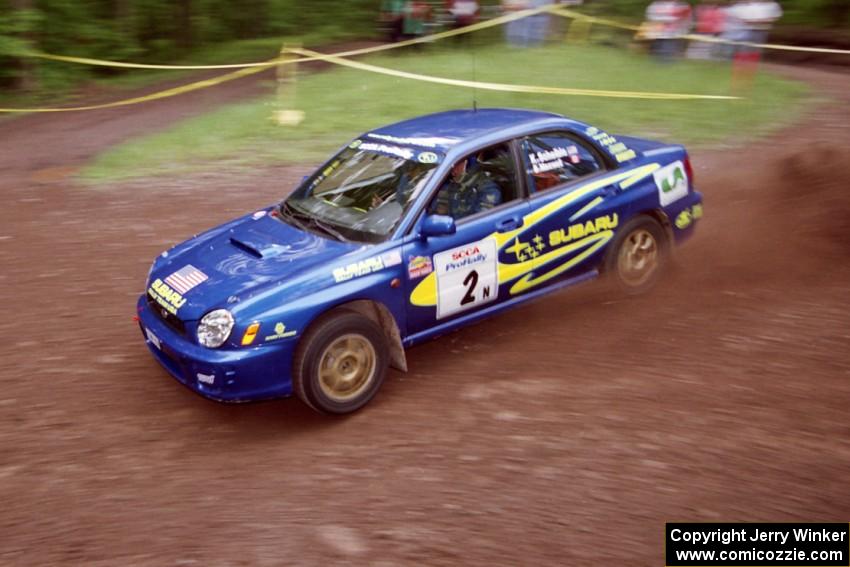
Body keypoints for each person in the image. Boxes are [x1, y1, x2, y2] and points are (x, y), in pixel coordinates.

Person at [431, 155, 503, 220]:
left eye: (456, 164)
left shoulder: (487, 188)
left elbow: (480, 222)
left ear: (465, 162)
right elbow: (433, 212)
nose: (452, 169)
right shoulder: (445, 184)